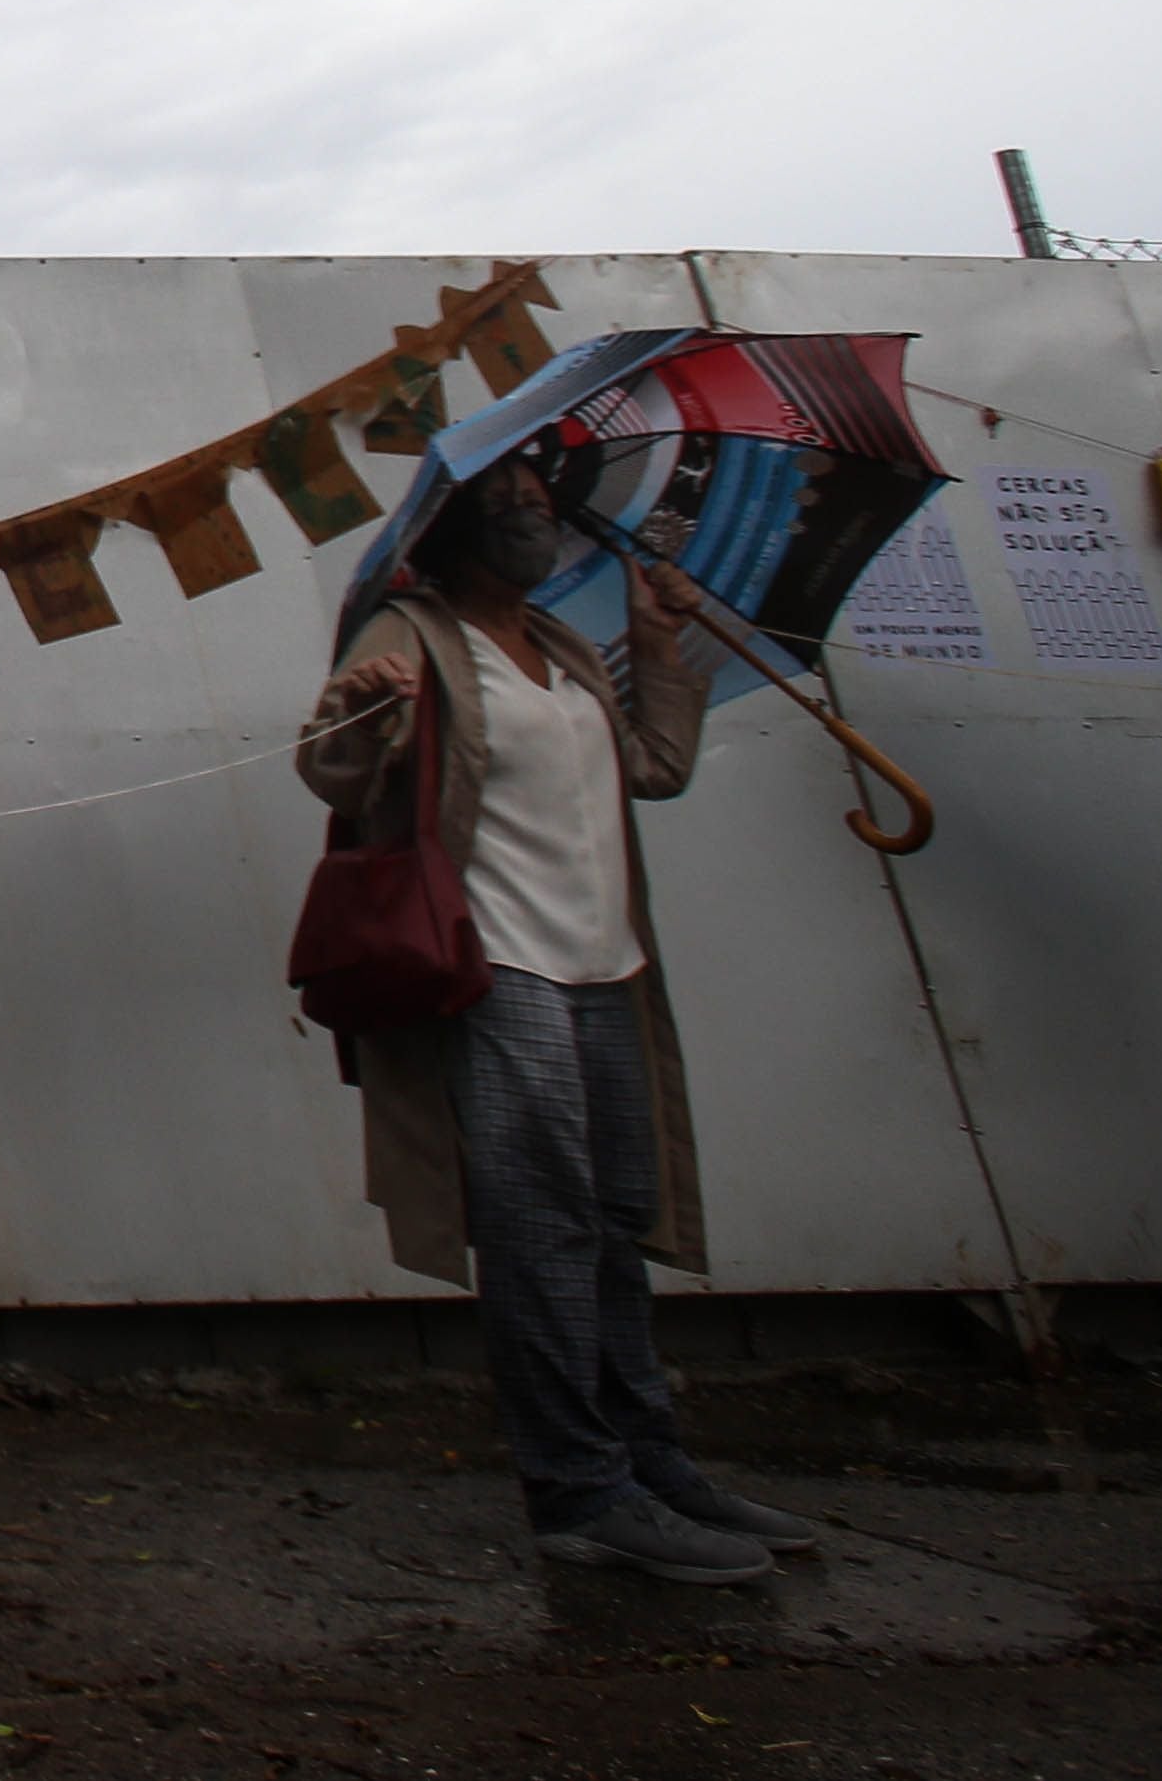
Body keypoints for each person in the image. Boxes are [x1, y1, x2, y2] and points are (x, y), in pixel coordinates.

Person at [297, 442, 814, 1586]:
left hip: (609, 968)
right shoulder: (413, 630)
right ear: (454, 532)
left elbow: (656, 766)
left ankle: (652, 1464)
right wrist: (355, 706)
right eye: (505, 506)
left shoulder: (571, 646)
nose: (531, 520)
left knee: (619, 1215)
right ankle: (577, 1490)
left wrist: (660, 635)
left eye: (540, 503)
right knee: (539, 1226)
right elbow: (330, 769)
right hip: (498, 964)